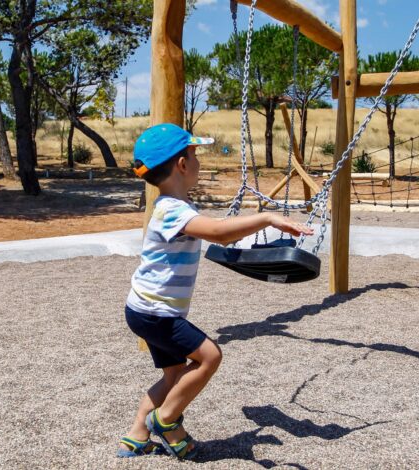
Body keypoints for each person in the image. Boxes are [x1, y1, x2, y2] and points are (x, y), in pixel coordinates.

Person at [117, 123, 313, 459]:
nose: (198, 161)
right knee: (210, 356)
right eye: (194, 154)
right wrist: (267, 218)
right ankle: (166, 421)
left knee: (175, 374)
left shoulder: (175, 206)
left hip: (147, 310)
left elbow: (219, 231)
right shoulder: (171, 210)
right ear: (181, 165)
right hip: (156, 313)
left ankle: (137, 434)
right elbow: (220, 234)